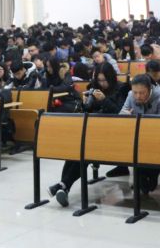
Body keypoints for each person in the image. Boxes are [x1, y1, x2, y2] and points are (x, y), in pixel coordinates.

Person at [48, 63, 122, 207]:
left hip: (113, 135)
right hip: (93, 133)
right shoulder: (94, 88)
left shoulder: (121, 89)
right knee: (76, 151)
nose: (102, 83)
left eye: (104, 80)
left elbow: (120, 113)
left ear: (111, 78)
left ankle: (63, 186)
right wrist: (85, 103)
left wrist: (104, 100)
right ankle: (64, 187)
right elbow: (88, 112)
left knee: (84, 151)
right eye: (99, 80)